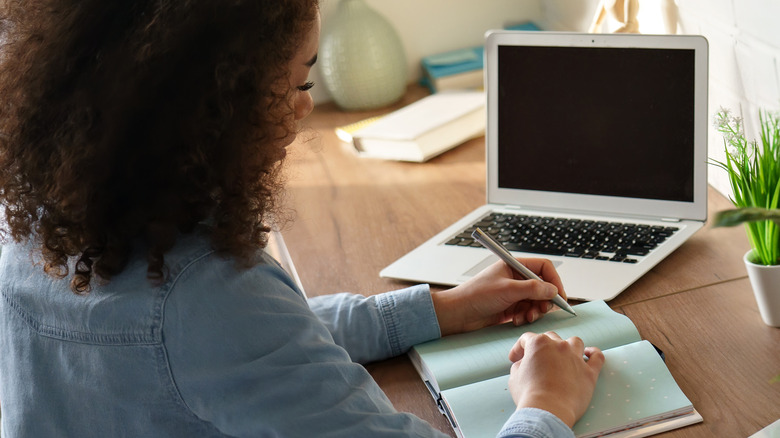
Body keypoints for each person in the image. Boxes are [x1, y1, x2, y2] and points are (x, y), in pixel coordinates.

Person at [0, 1, 604, 437]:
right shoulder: (205, 291)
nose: (305, 105)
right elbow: (230, 330)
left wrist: (442, 308)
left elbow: (245, 343)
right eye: (292, 82)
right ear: (209, 105)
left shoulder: (41, 220)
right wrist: (547, 402)